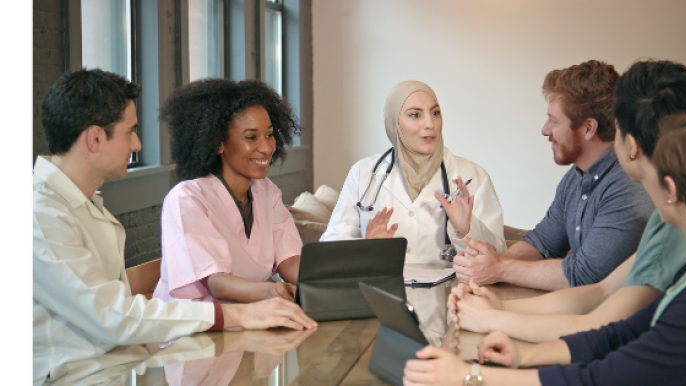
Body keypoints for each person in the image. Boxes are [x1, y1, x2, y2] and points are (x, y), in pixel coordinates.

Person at [33, 69, 315, 385]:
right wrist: (242, 314)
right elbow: (112, 316)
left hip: (124, 366)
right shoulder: (41, 216)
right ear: (96, 138)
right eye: (130, 132)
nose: (137, 144)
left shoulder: (81, 206)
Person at [403, 112, 686, 386]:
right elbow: (619, 334)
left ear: (671, 191)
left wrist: (467, 377)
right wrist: (524, 352)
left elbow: (603, 377)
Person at [448, 60, 686, 342]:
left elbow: (590, 285)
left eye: (554, 120)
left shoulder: (639, 197)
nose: (544, 130)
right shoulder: (586, 182)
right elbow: (560, 255)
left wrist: (497, 284)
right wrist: (493, 286)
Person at [453, 60, 653, 290]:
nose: (545, 130)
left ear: (589, 128)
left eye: (554, 121)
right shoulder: (576, 177)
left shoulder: (628, 186)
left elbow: (585, 276)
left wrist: (499, 268)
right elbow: (543, 242)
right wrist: (489, 265)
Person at [152, 78, 307, 305]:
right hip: (198, 330)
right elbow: (216, 283)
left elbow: (290, 260)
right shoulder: (187, 199)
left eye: (269, 134)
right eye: (251, 137)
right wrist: (269, 292)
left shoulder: (268, 193)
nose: (266, 148)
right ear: (218, 143)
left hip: (253, 318)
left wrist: (332, 282)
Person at [320, 80, 506, 264]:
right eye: (415, 115)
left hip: (454, 292)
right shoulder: (363, 173)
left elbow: (499, 257)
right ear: (395, 123)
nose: (429, 123)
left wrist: (467, 230)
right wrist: (368, 248)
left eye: (435, 113)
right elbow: (329, 250)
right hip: (381, 290)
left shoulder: (472, 177)